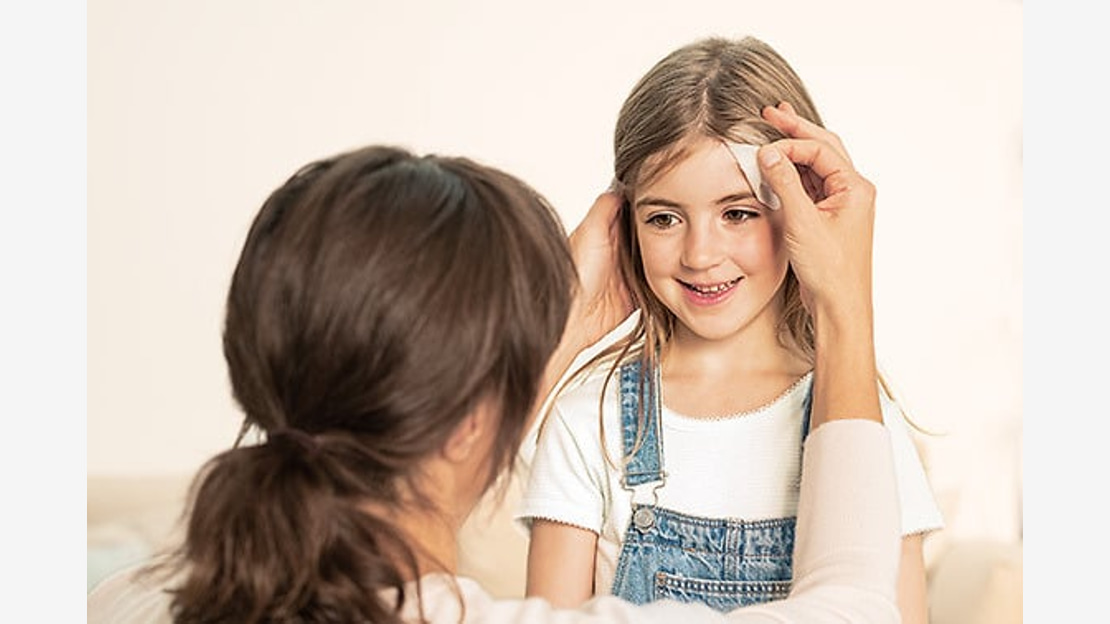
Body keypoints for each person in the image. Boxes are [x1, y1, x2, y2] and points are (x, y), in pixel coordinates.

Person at [88, 129, 902, 622]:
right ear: (476, 421)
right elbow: (859, 614)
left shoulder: (127, 598)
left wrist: (555, 331)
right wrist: (846, 305)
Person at [519, 36, 943, 623]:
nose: (700, 254)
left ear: (804, 206)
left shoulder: (859, 421)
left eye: (737, 212)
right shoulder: (588, 418)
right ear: (623, 224)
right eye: (664, 218)